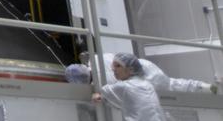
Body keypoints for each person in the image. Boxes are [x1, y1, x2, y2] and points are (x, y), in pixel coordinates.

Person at [69, 51, 215, 95]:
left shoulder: (100, 86)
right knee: (173, 84)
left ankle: (205, 88)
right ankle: (205, 87)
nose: (113, 70)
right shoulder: (95, 59)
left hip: (143, 81)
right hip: (144, 66)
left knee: (170, 91)